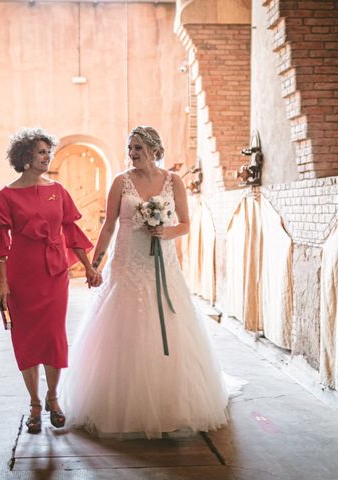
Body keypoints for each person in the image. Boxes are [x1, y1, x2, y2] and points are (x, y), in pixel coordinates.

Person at [62, 126, 230, 439]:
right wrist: (95, 264)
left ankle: (170, 402)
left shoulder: (173, 181)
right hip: (127, 263)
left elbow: (185, 224)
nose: (132, 153)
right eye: (130, 147)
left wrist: (165, 232)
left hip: (161, 264)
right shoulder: (120, 182)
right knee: (122, 326)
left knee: (167, 321)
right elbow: (108, 228)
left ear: (153, 149)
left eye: (138, 147)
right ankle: (119, 401)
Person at [0, 127, 99, 434]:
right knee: (26, 339)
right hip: (22, 277)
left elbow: (71, 233)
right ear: (25, 157)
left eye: (49, 151)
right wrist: (2, 282)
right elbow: (0, 245)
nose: (47, 157)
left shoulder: (58, 191)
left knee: (53, 336)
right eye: (41, 152)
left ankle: (53, 398)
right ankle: (34, 403)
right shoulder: (6, 195)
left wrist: (88, 266)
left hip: (55, 275)